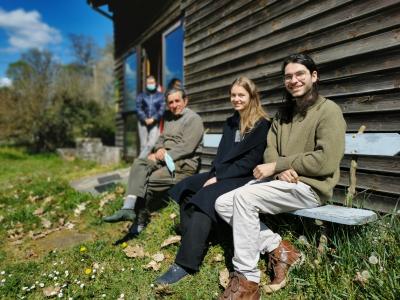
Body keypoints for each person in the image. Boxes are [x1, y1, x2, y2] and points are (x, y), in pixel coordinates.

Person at [215, 53, 347, 299]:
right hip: (281, 183)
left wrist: (280, 164)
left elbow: (325, 161)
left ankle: (246, 281)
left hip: (310, 187)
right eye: (288, 76)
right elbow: (270, 150)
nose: (294, 80)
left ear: (314, 76)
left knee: (244, 198)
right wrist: (277, 167)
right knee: (222, 202)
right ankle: (280, 249)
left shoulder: (329, 111)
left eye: (300, 74)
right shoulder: (282, 114)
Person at [156, 77, 271, 285]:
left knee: (205, 197)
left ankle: (186, 263)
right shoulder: (231, 122)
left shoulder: (261, 125)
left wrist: (218, 179)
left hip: (245, 177)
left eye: (241, 95)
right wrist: (213, 175)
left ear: (252, 97)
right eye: (233, 95)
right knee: (186, 187)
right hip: (223, 172)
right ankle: (195, 237)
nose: (236, 99)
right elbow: (221, 155)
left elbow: (249, 162)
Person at [103, 88, 204, 236]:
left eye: (177, 101)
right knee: (139, 164)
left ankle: (141, 218)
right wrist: (159, 149)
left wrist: (163, 155)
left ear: (185, 101)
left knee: (148, 181)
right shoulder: (169, 119)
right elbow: (160, 140)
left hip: (183, 165)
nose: (174, 105)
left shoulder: (193, 119)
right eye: (171, 102)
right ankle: (128, 208)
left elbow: (187, 148)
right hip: (164, 159)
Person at [136, 75, 166, 159]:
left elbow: (162, 109)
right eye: (149, 83)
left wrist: (154, 118)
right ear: (146, 84)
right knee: (143, 145)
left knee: (152, 143)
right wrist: (144, 118)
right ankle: (143, 166)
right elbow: (138, 108)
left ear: (155, 83)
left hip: (154, 122)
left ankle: (139, 162)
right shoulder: (141, 95)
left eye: (152, 82)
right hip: (142, 122)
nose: (150, 84)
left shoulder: (160, 96)